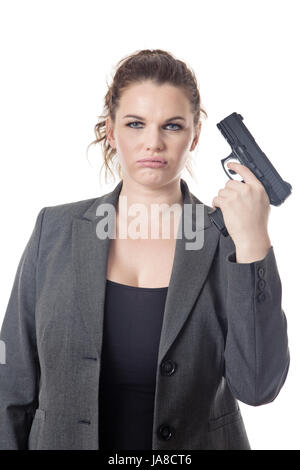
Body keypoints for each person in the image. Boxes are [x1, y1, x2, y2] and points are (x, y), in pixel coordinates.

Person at [0, 49, 290, 450]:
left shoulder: (228, 239)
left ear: (196, 134)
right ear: (111, 130)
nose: (153, 143)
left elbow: (259, 386)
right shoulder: (55, 229)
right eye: (136, 124)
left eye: (172, 126)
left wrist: (254, 242)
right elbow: (10, 381)